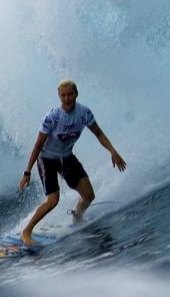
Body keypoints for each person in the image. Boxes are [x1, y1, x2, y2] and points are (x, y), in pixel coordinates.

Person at [18, 79, 126, 246]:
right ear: (59, 96)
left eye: (70, 94)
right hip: (47, 159)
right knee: (53, 200)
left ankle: (77, 216)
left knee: (89, 196)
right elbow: (38, 145)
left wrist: (113, 151)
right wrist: (27, 172)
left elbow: (98, 133)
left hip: (66, 157)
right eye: (63, 95)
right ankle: (26, 232)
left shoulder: (84, 113)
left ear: (76, 94)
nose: (67, 99)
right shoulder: (52, 117)